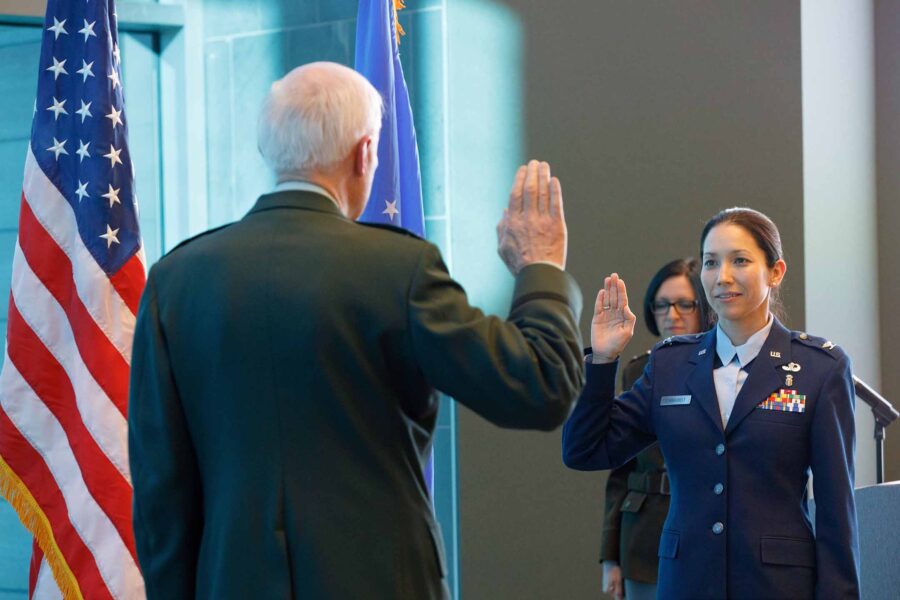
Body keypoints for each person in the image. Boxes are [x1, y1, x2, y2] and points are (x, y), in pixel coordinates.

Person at [128, 62, 586, 599]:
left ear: (268, 152)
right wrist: (541, 266)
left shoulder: (174, 281)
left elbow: (161, 492)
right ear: (365, 152)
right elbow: (539, 386)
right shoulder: (397, 269)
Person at [563, 208, 859, 599]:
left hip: (777, 587)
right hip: (686, 583)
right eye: (710, 262)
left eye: (740, 260)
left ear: (775, 272)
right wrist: (602, 361)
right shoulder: (669, 364)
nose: (722, 277)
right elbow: (586, 449)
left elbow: (837, 513)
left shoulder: (819, 368)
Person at [600, 258, 711, 600]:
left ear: (704, 307)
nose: (671, 315)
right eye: (661, 305)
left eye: (683, 304)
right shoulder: (639, 371)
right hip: (643, 535)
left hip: (705, 531)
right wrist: (610, 557)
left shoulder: (726, 367)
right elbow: (621, 471)